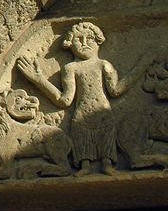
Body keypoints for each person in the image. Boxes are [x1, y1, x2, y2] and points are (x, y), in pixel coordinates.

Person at [17, 22, 145, 176]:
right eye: (79, 39)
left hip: (103, 114)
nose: (84, 43)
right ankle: (85, 166)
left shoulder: (103, 65)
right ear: (70, 44)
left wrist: (140, 68)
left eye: (89, 38)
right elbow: (65, 100)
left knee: (105, 137)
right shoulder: (71, 68)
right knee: (82, 138)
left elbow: (116, 90)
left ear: (98, 41)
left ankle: (107, 164)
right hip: (81, 115)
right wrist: (39, 79)